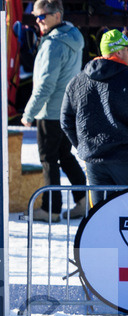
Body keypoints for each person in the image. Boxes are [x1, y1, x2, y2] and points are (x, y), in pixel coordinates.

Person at [21, 0, 88, 221]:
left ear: (56, 15)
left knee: (48, 159)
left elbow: (46, 84)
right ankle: (82, 202)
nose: (38, 21)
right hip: (66, 109)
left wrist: (29, 112)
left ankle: (51, 209)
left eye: (42, 16)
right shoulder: (73, 36)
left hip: (49, 111)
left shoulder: (54, 44)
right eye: (35, 17)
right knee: (64, 156)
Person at [61, 28, 128, 203]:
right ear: (119, 51)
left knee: (100, 218)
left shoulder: (77, 80)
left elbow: (66, 120)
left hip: (94, 161)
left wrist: (85, 145)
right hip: (124, 158)